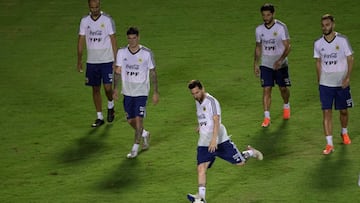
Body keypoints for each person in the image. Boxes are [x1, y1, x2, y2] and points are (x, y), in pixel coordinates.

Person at [187, 80, 263, 203]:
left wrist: (214, 140)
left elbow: (216, 121)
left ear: (202, 89)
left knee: (240, 163)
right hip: (204, 141)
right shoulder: (198, 101)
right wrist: (200, 125)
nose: (195, 96)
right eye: (193, 94)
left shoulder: (211, 101)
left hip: (219, 139)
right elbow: (204, 117)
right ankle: (201, 198)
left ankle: (250, 153)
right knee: (201, 168)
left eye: (197, 92)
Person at [113, 27, 159, 158]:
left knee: (139, 119)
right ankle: (144, 134)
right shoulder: (122, 52)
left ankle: (135, 148)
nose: (132, 41)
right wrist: (115, 88)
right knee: (130, 120)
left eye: (134, 38)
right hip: (127, 92)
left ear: (138, 38)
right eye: (129, 38)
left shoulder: (146, 53)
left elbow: (153, 72)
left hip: (141, 92)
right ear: (127, 38)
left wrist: (155, 92)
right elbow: (117, 71)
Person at [313, 14, 354, 155]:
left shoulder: (342, 40)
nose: (325, 28)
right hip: (325, 84)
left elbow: (350, 59)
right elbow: (318, 61)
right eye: (323, 25)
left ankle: (344, 132)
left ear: (333, 25)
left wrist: (347, 78)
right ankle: (329, 144)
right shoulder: (318, 43)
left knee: (343, 111)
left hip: (341, 82)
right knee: (326, 112)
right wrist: (319, 80)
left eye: (327, 25)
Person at [77, 0, 118, 127]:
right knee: (95, 89)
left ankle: (110, 104)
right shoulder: (84, 21)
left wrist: (117, 61)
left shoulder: (107, 20)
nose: (94, 9)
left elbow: (113, 40)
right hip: (92, 61)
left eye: (96, 7)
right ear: (89, 7)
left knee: (107, 87)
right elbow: (81, 40)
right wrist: (79, 60)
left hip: (106, 59)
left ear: (99, 6)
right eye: (92, 7)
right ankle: (99, 116)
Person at [253, 3, 291, 127]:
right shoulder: (259, 30)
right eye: (263, 15)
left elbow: (288, 46)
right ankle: (267, 117)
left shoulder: (281, 27)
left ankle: (286, 105)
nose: (265, 18)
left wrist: (280, 60)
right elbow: (258, 47)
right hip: (266, 64)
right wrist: (256, 63)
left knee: (283, 88)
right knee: (266, 89)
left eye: (268, 15)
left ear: (273, 14)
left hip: (281, 64)